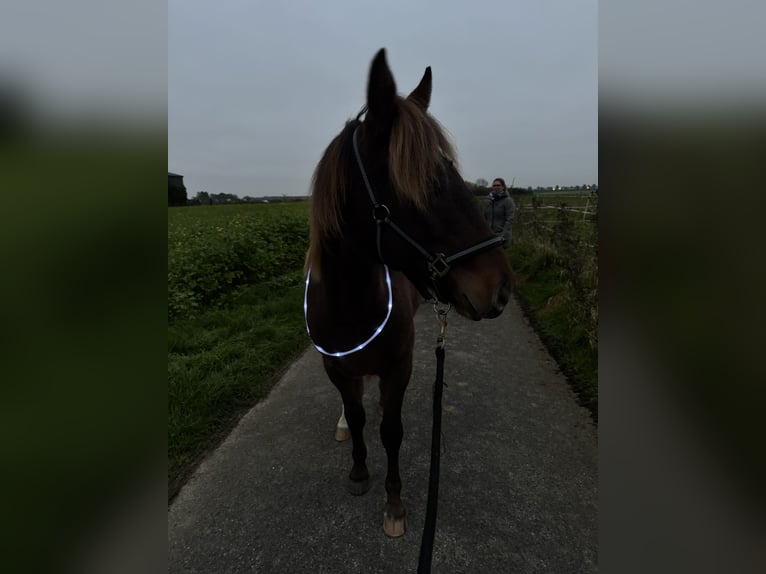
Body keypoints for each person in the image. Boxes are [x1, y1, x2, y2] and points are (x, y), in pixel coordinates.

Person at [483, 177, 516, 247]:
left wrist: (503, 235)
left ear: (503, 187)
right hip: (488, 235)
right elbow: (484, 217)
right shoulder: (488, 201)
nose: (496, 187)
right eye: (494, 185)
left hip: (501, 236)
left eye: (498, 185)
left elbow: (510, 220)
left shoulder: (508, 201)